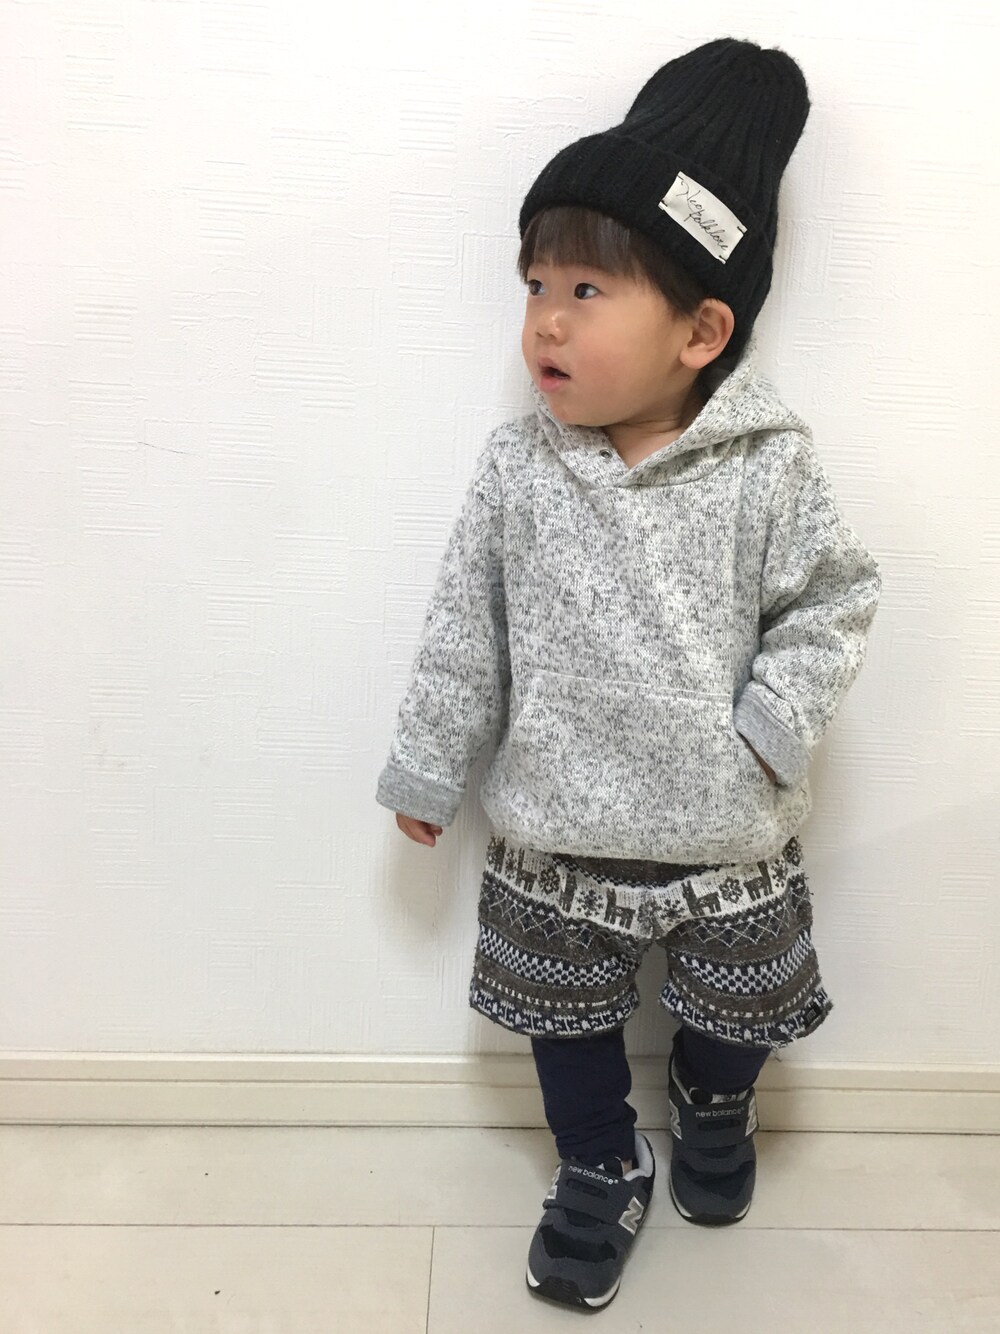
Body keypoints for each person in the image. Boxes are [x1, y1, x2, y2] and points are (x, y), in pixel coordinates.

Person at [375, 37, 881, 1312]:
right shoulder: (519, 468)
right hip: (557, 830)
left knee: (740, 1004)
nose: (545, 317)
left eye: (588, 288)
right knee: (563, 1017)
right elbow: (465, 629)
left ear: (701, 329)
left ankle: (712, 1096)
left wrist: (772, 724)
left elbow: (834, 597)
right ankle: (600, 1156)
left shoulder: (768, 465)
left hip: (725, 825)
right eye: (535, 282)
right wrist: (431, 764)